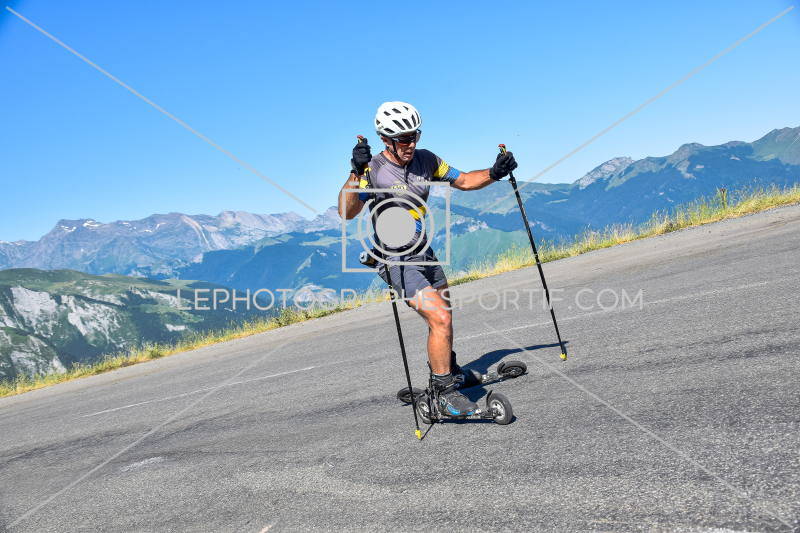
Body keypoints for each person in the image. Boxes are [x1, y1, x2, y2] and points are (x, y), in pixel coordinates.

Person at [338, 101, 517, 417]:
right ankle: (444, 394)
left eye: (415, 136)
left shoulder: (427, 159)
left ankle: (449, 371)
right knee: (440, 318)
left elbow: (464, 180)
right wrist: (355, 172)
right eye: (403, 139)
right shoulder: (373, 170)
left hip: (424, 252)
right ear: (385, 140)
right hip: (395, 261)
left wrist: (494, 172)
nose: (411, 144)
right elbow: (347, 211)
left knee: (445, 314)